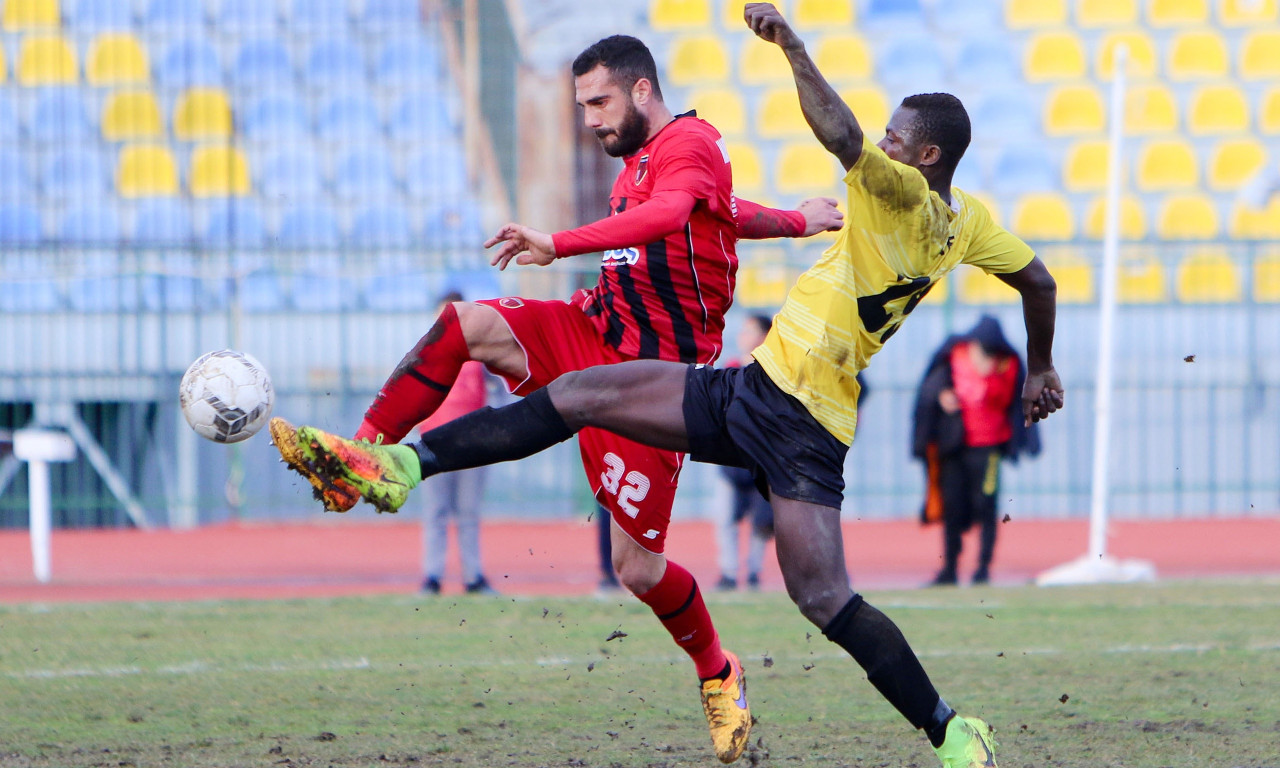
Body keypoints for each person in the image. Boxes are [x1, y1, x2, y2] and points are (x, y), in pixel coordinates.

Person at [271, 5, 1064, 766]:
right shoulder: (969, 220)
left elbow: (838, 138)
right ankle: (387, 463)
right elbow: (1038, 279)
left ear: (926, 157)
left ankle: (935, 725)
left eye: (899, 137)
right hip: (751, 391)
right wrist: (1040, 366)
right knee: (548, 375)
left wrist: (791, 47)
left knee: (806, 596)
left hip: (785, 410)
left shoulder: (892, 188)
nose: (886, 143)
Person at [274, 32, 843, 764]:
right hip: (592, 327)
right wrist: (796, 221)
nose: (590, 119)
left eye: (599, 102)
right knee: (464, 324)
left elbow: (676, 214)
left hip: (654, 383)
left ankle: (717, 669)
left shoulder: (689, 142)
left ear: (642, 90)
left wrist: (558, 242)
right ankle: (362, 459)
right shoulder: (643, 160)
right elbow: (725, 211)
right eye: (582, 106)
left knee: (636, 569)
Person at [912, 315, 1041, 587]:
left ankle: (983, 568)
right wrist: (941, 395)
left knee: (987, 505)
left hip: (990, 449)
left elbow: (1021, 402)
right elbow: (929, 388)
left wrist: (1028, 438)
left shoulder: (1008, 363)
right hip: (954, 446)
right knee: (952, 507)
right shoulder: (953, 354)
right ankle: (949, 568)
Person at [417, 291, 498, 596]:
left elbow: (500, 391)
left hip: (472, 444)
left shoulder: (479, 354)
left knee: (468, 513)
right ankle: (432, 577)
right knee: (435, 512)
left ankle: (473, 577)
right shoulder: (424, 352)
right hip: (434, 442)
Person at [714, 314, 775, 591]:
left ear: (764, 336)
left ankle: (753, 572)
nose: (743, 336)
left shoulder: (773, 373)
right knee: (725, 518)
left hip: (762, 461)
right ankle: (728, 572)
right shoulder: (730, 369)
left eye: (750, 330)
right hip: (732, 459)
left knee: (761, 521)